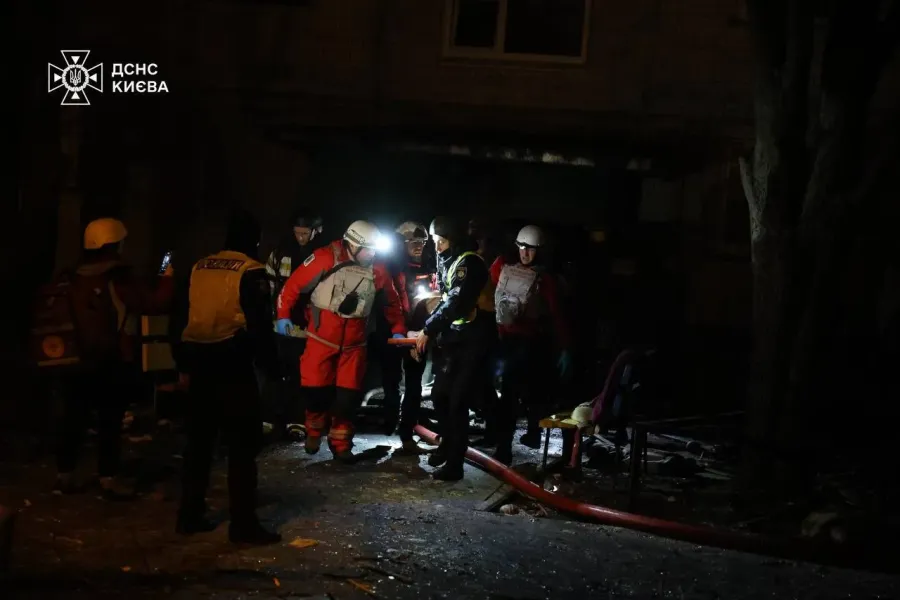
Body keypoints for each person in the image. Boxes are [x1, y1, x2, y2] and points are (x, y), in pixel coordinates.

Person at [172, 210, 281, 544]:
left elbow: (179, 315)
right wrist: (273, 368)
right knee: (242, 447)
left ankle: (189, 515)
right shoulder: (251, 270)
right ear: (254, 240)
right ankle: (243, 524)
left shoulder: (199, 266)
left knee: (199, 444)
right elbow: (260, 326)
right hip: (232, 364)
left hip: (198, 361)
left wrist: (181, 362)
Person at [51, 218, 174, 500]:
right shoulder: (118, 277)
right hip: (109, 359)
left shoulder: (71, 276)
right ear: (114, 244)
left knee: (74, 416)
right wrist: (167, 275)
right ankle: (108, 477)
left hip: (73, 358)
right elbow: (154, 303)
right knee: (110, 419)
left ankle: (64, 474)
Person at [275, 220, 407, 461]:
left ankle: (341, 443)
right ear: (353, 245)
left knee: (348, 399)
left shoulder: (377, 269)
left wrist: (398, 328)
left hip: (355, 346)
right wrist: (283, 315)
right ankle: (314, 431)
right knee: (315, 393)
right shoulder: (325, 258)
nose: (372, 255)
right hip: (321, 339)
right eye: (368, 250)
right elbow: (293, 286)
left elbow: (392, 302)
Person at [412, 217, 496, 481]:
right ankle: (447, 445)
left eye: (442, 241)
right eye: (435, 242)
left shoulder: (469, 263)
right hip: (456, 338)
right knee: (440, 396)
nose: (437, 247)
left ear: (454, 239)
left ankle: (455, 464)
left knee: (458, 400)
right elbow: (445, 299)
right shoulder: (449, 260)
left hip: (476, 339)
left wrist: (428, 329)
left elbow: (457, 303)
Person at [490, 225, 571, 463]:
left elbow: (557, 314)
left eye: (531, 249)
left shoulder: (545, 279)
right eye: (522, 247)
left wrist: (565, 347)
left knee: (532, 393)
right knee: (509, 396)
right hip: (507, 340)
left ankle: (530, 435)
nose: (525, 253)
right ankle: (504, 447)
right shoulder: (501, 267)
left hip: (532, 342)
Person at [264, 208, 323, 439]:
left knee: (302, 376)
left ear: (316, 231)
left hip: (308, 328)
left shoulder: (321, 255)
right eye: (297, 233)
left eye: (305, 233)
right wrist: (275, 315)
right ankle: (270, 418)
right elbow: (271, 286)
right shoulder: (280, 254)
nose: (300, 237)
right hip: (280, 324)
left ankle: (296, 421)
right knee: (276, 372)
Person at [381, 221, 437, 453]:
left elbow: (433, 299)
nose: (418, 246)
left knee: (414, 386)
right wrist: (398, 330)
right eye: (413, 241)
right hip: (392, 333)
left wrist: (425, 331)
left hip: (418, 333)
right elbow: (387, 302)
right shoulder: (390, 268)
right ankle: (389, 421)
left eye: (422, 242)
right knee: (391, 381)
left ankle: (407, 435)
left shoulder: (430, 265)